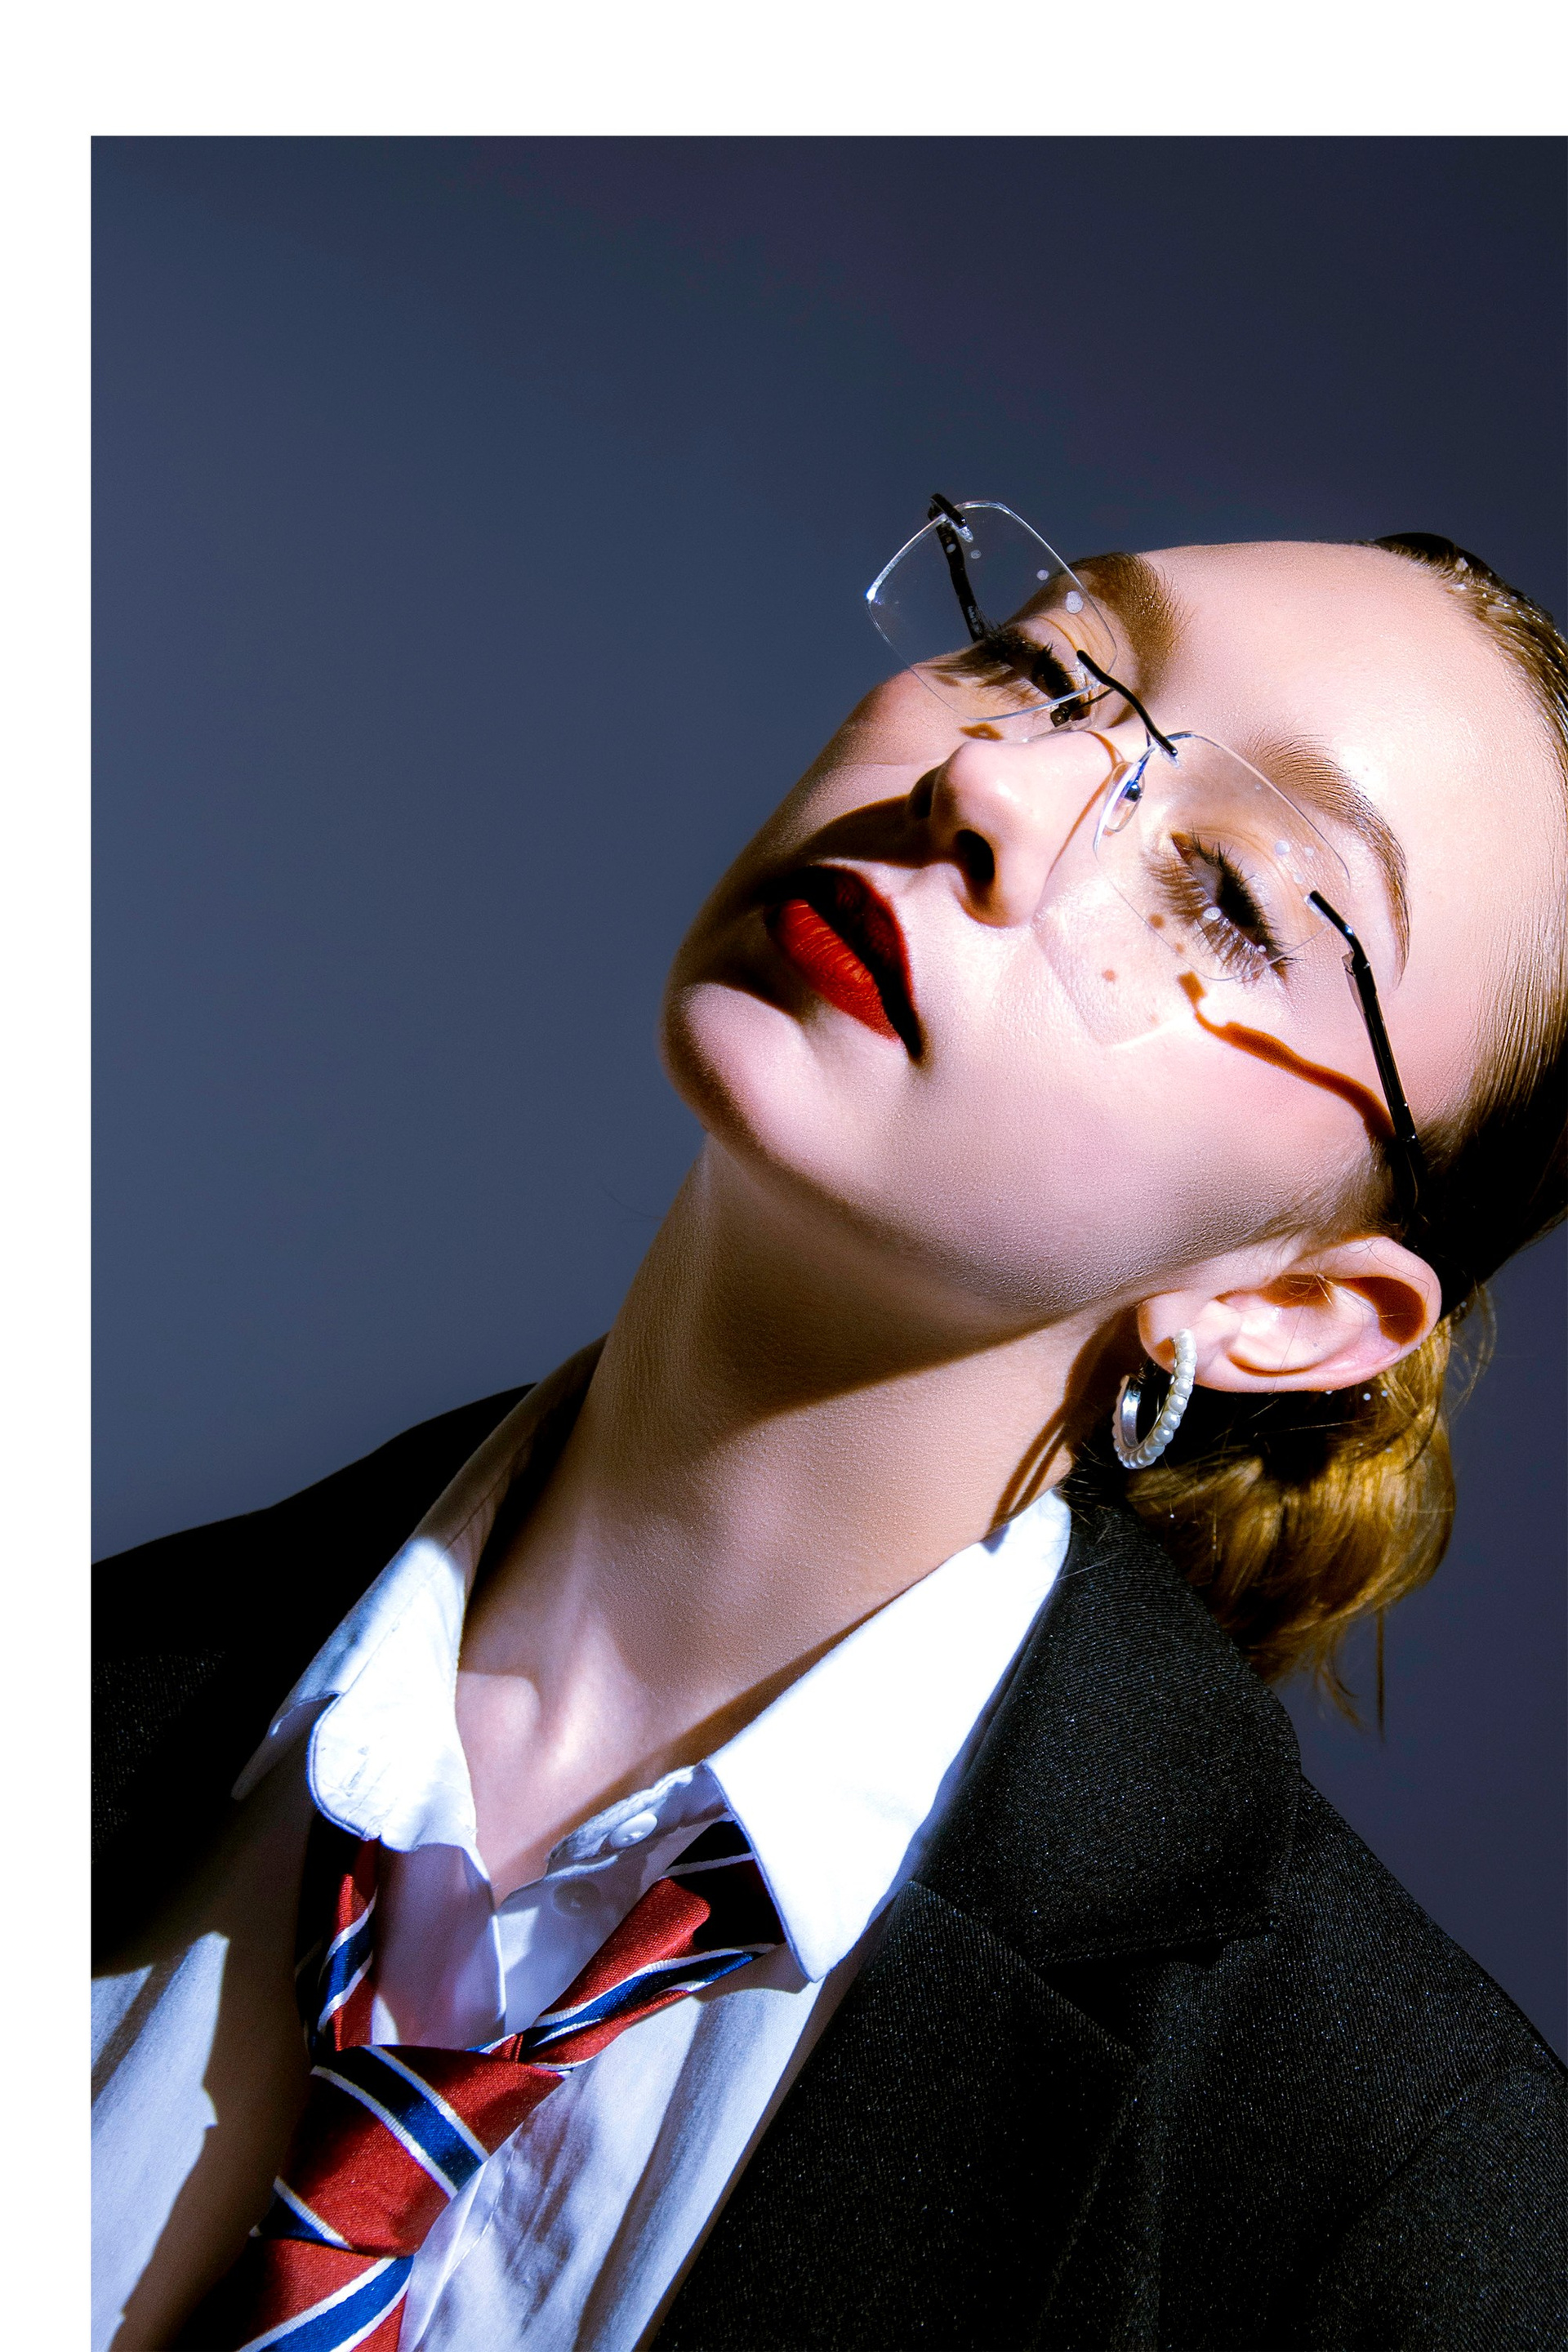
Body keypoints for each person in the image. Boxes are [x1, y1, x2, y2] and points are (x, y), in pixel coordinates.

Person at [93, 504, 1568, 2352]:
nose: (995, 790)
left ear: (1288, 1308)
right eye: (1045, 669)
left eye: (1238, 896)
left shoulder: (1400, 2214)